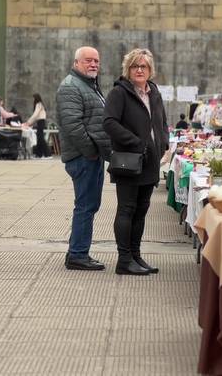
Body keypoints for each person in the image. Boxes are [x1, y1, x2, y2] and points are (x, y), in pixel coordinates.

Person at [104, 48, 168, 275]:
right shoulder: (119, 93)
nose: (139, 70)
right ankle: (124, 260)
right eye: (135, 66)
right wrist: (136, 143)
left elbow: (161, 122)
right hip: (129, 161)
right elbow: (109, 123)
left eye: (144, 66)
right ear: (128, 69)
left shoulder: (154, 92)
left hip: (150, 161)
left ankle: (136, 256)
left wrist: (164, 143)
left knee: (141, 210)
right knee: (127, 209)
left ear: (150, 70)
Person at [56, 46, 111, 271]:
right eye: (88, 60)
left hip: (91, 156)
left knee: (89, 205)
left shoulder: (89, 85)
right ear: (77, 62)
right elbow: (73, 125)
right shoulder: (71, 87)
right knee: (86, 206)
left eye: (96, 61)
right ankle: (78, 254)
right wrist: (91, 151)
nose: (93, 64)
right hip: (83, 157)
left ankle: (77, 252)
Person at [23, 93, 52, 158]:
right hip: (40, 122)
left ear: (36, 98)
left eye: (33, 98)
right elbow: (36, 117)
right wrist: (29, 123)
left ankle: (48, 154)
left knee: (41, 138)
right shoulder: (40, 104)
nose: (33, 100)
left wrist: (28, 122)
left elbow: (35, 115)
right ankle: (39, 154)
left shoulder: (39, 104)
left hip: (41, 122)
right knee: (39, 138)